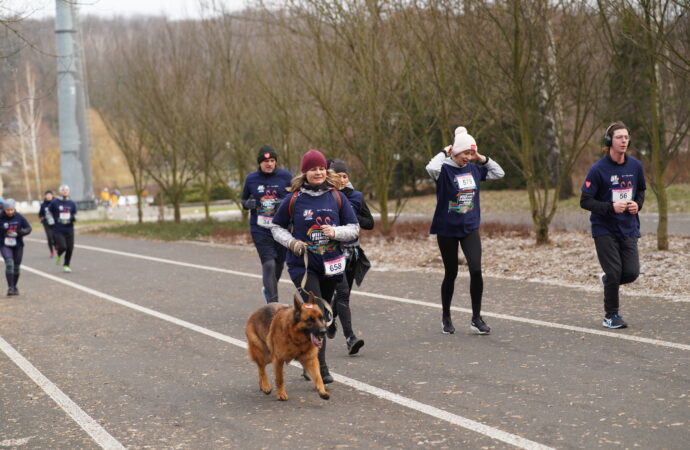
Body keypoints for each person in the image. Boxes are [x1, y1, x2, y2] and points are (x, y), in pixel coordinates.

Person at [270, 149, 360, 383]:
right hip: (304, 266)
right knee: (317, 311)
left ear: (325, 170)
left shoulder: (337, 197)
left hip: (331, 264)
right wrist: (292, 243)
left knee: (326, 316)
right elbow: (275, 227)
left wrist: (336, 232)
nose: (318, 172)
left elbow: (354, 227)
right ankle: (321, 368)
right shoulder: (294, 199)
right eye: (313, 169)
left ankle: (306, 359)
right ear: (305, 172)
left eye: (321, 168)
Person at [426, 126, 505, 335]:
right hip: (447, 230)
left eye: (471, 153)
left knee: (476, 270)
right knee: (451, 273)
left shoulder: (474, 169)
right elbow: (430, 168)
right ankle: (446, 317)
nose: (468, 157)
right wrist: (445, 152)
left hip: (469, 227)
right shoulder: (444, 170)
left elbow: (499, 172)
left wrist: (481, 157)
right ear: (455, 152)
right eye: (465, 153)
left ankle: (476, 318)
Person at [580, 122, 645, 329]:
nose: (624, 141)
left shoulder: (635, 166)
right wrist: (610, 207)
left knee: (632, 273)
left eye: (626, 137)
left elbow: (641, 191)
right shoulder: (598, 169)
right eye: (619, 137)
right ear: (609, 141)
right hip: (604, 228)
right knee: (615, 272)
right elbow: (585, 201)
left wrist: (637, 204)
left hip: (628, 227)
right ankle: (611, 315)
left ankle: (607, 280)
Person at [326, 158, 374, 355]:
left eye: (345, 176)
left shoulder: (356, 196)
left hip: (352, 254)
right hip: (333, 253)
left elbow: (369, 222)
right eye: (339, 176)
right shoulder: (326, 197)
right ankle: (350, 338)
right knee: (343, 293)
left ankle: (328, 319)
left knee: (343, 295)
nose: (343, 180)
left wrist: (352, 216)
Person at [240, 145, 293, 303]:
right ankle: (273, 303)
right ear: (260, 163)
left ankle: (269, 289)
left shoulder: (285, 176)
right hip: (260, 229)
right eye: (265, 161)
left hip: (281, 228)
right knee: (268, 263)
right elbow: (243, 200)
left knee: (278, 264)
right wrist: (249, 204)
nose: (269, 164)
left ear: (275, 162)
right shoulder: (251, 179)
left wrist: (283, 203)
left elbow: (294, 199)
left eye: (272, 160)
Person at [0, 199, 32, 296]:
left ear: (14, 209)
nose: (10, 212)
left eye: (11, 210)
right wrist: (4, 233)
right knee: (9, 264)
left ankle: (14, 286)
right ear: (4, 209)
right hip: (4, 244)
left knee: (16, 267)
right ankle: (10, 288)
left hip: (18, 245)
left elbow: (28, 228)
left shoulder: (19, 217)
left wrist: (19, 233)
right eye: (7, 210)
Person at [49, 184, 77, 273]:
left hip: (69, 229)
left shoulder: (72, 203)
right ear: (60, 191)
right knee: (63, 247)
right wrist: (51, 221)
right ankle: (58, 255)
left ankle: (66, 265)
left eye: (66, 190)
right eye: (63, 190)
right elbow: (48, 212)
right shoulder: (55, 202)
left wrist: (74, 218)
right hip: (58, 229)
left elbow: (75, 214)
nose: (65, 191)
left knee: (70, 248)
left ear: (68, 192)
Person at [38, 190, 56, 257]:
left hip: (55, 222)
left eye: (50, 195)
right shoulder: (43, 205)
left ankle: (55, 244)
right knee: (49, 237)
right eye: (47, 195)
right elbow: (40, 214)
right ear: (45, 196)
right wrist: (41, 218)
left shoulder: (55, 203)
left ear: (52, 196)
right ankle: (51, 252)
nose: (48, 196)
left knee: (55, 236)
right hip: (46, 223)